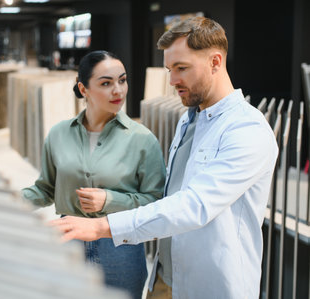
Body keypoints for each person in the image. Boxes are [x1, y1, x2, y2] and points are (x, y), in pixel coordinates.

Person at [51, 17, 279, 299]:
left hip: (211, 286)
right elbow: (169, 196)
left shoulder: (247, 130)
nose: (172, 81)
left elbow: (195, 205)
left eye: (181, 68)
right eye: (170, 69)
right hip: (164, 277)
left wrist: (101, 226)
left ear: (215, 62)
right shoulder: (188, 119)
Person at [22, 50, 167, 299]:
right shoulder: (58, 134)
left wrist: (111, 200)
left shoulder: (142, 139)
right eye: (106, 83)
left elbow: (156, 201)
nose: (118, 91)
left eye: (122, 80)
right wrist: (4, 200)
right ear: (83, 89)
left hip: (120, 247)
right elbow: (46, 188)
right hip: (69, 244)